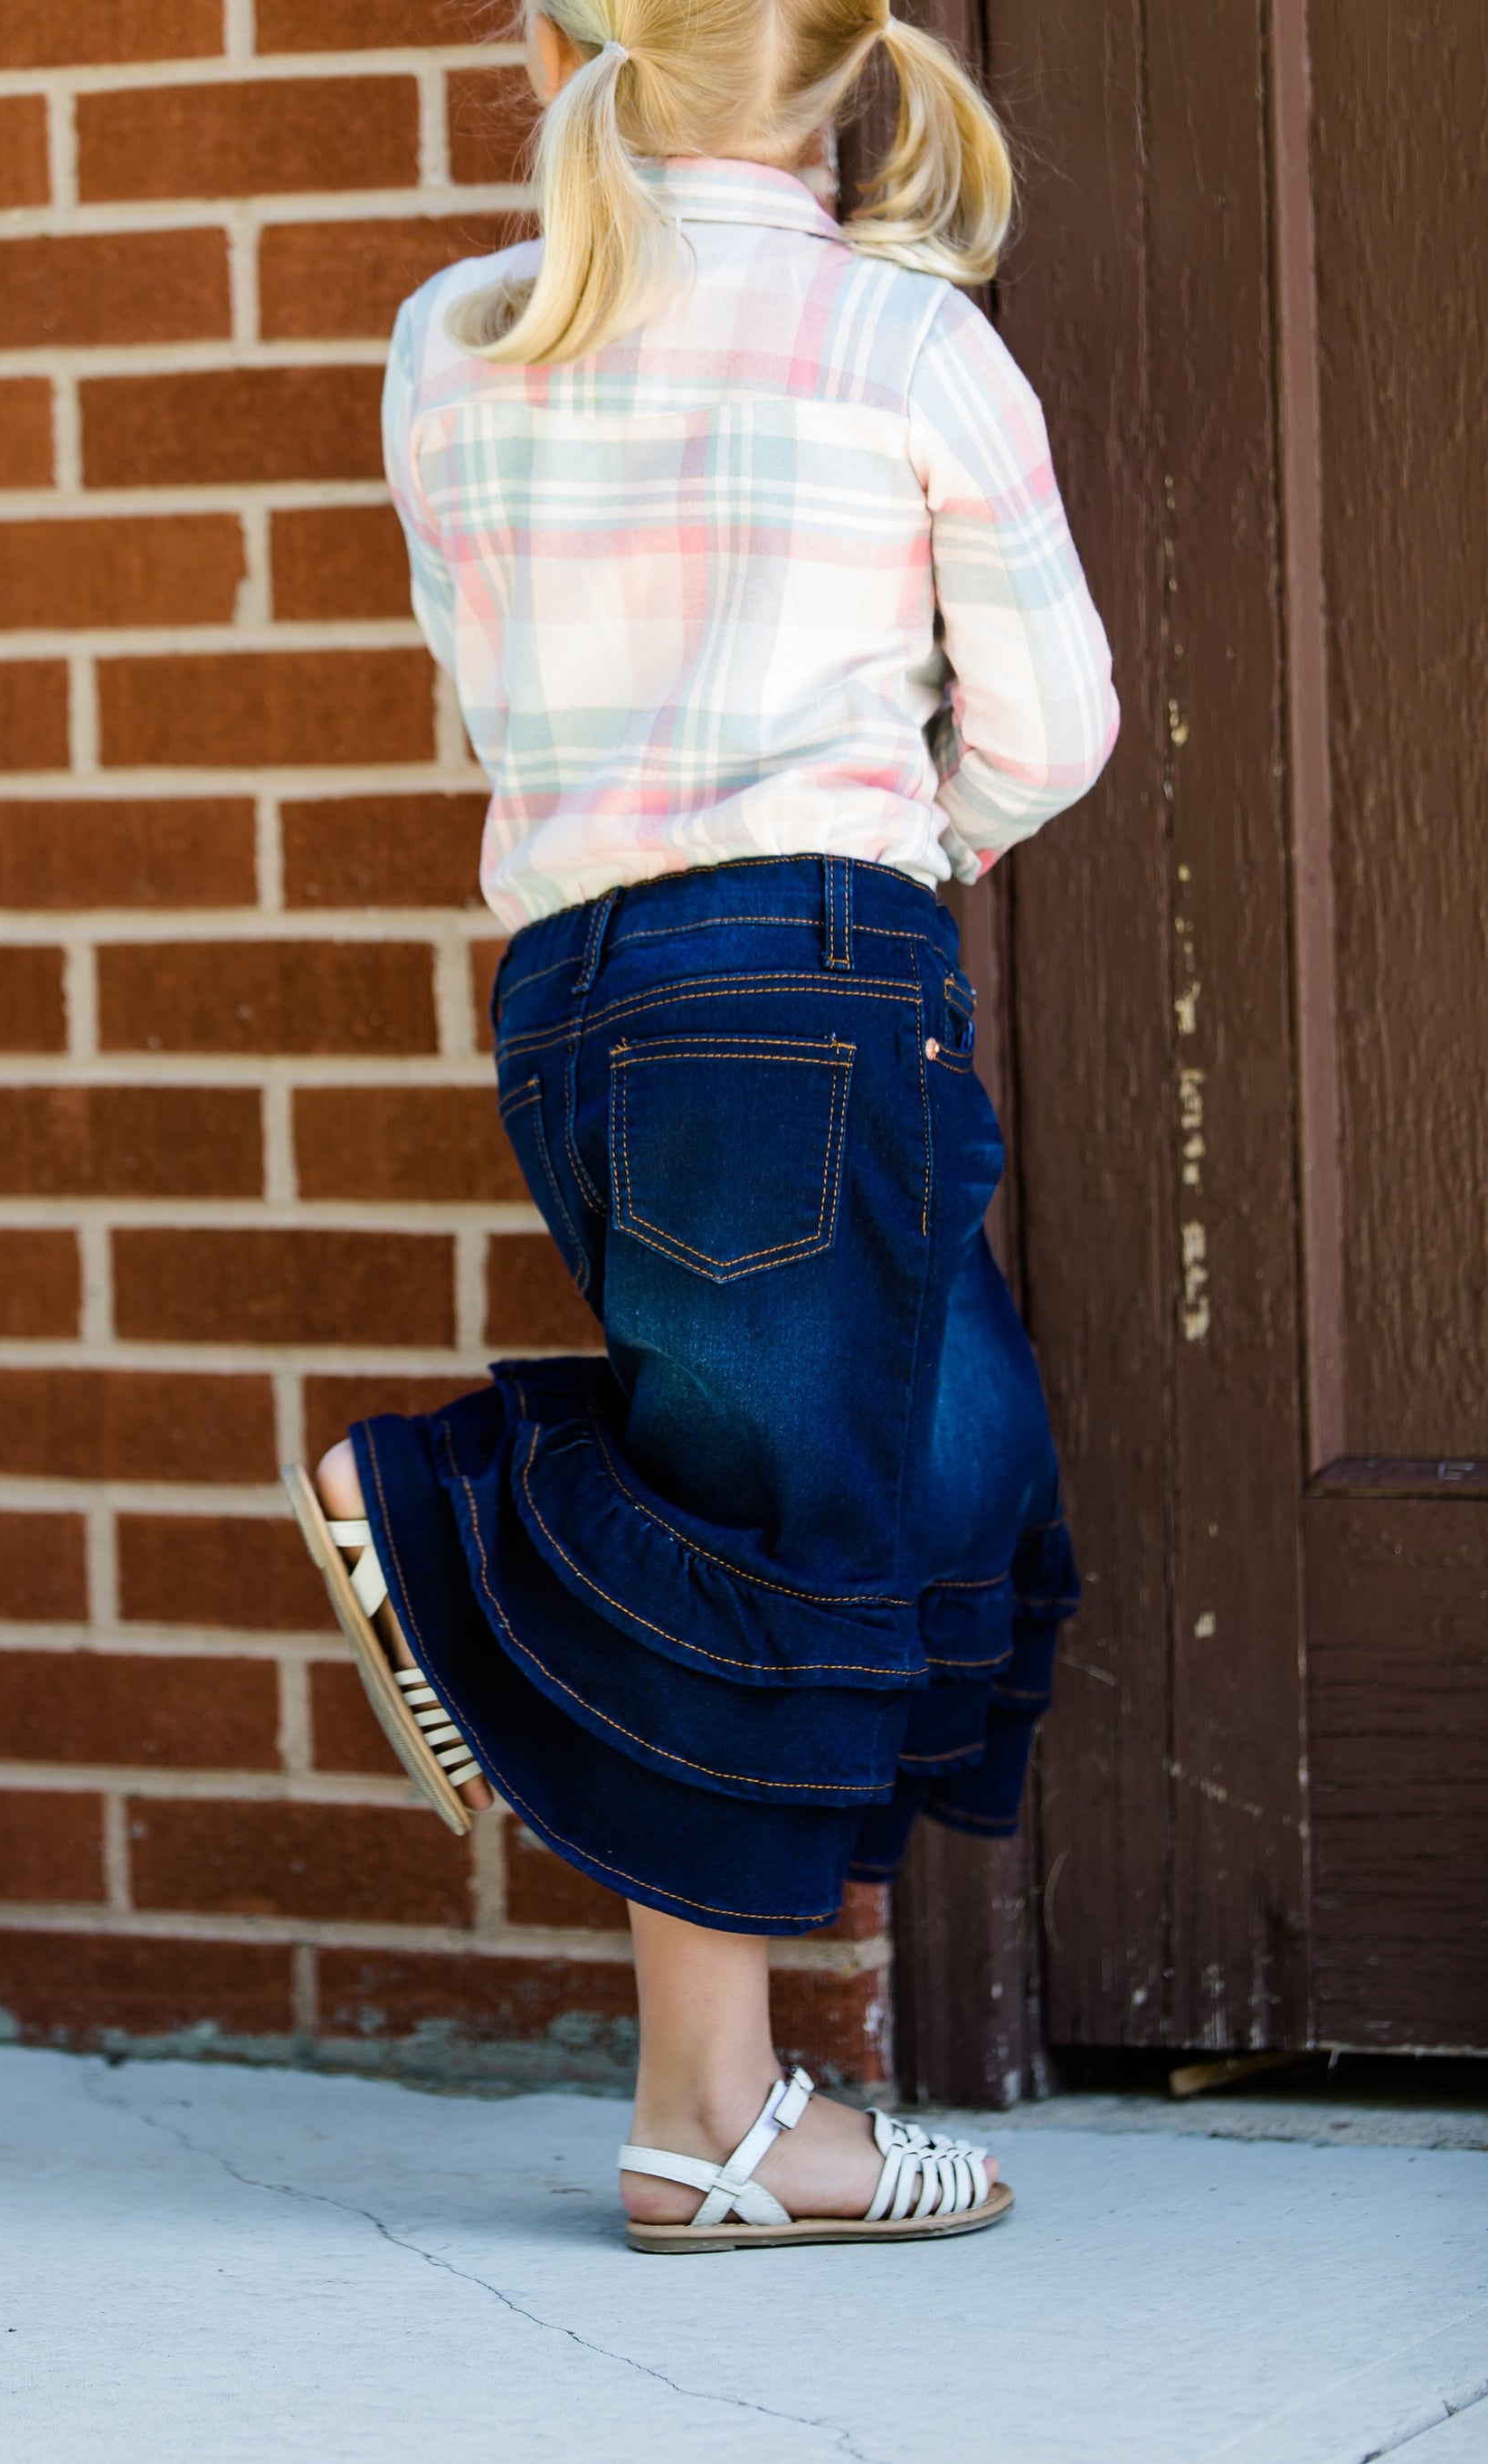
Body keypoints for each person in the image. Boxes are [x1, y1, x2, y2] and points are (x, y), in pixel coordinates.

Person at [288, 0, 1117, 2251]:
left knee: (958, 1470)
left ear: (568, 32)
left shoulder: (462, 331)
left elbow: (483, 685)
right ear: (856, 53)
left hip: (578, 986)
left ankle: (722, 2084)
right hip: (816, 968)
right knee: (761, 1524)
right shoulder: (904, 340)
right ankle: (710, 2113)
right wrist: (893, 845)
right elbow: (1058, 725)